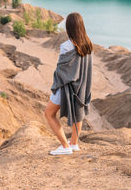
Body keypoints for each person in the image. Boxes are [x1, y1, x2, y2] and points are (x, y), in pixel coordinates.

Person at [44, 12, 93, 155]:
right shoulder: (88, 44)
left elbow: (62, 71)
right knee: (78, 114)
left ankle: (65, 147)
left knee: (49, 113)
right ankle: (74, 143)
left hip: (65, 88)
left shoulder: (66, 46)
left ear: (69, 27)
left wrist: (55, 84)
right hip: (81, 87)